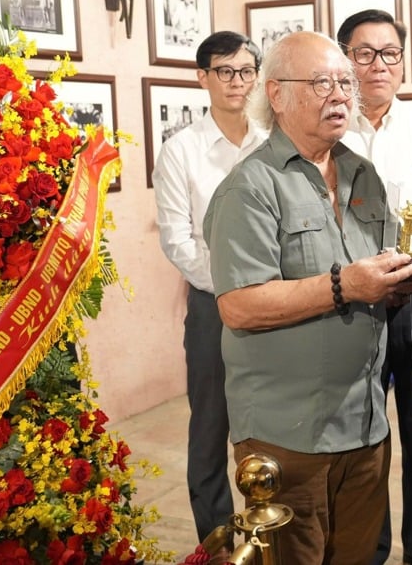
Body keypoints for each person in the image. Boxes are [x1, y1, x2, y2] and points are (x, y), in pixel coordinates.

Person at [203, 31, 412, 563]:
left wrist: (397, 280)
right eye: (322, 82)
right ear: (275, 94)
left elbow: (377, 268)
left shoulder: (361, 173)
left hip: (365, 426)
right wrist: (347, 284)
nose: (343, 95)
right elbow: (240, 305)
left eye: (345, 82)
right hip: (288, 436)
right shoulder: (250, 188)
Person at [335, 9, 412, 565]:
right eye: (363, 53)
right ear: (344, 61)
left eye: (390, 53)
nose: (377, 65)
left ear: (404, 63)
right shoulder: (328, 131)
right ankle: (369, 544)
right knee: (363, 431)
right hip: (351, 304)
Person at [151, 31, 266, 549]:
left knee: (272, 419)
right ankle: (219, 544)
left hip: (280, 302)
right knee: (211, 424)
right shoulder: (181, 150)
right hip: (212, 305)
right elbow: (177, 240)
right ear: (203, 78)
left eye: (246, 70)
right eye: (225, 71)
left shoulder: (273, 139)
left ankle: (274, 529)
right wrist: (236, 288)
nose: (237, 81)